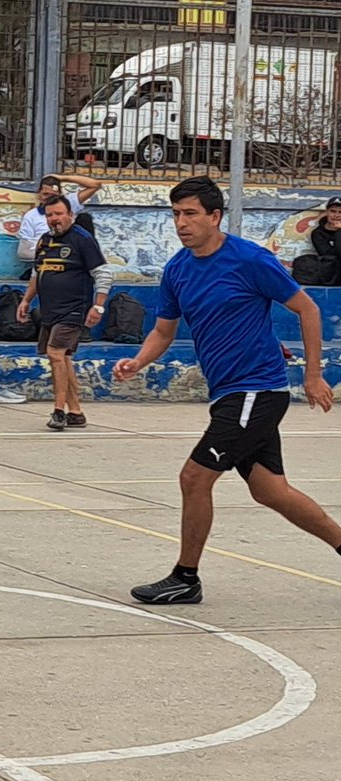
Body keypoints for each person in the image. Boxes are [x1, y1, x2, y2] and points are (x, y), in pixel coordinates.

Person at [114, 176, 341, 605]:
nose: (181, 223)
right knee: (271, 491)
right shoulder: (178, 270)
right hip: (228, 393)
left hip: (257, 389)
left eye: (191, 214)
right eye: (176, 214)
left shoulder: (249, 260)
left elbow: (307, 308)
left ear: (215, 217)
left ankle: (186, 577)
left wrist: (313, 375)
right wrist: (139, 361)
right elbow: (163, 331)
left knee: (194, 477)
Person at [17, 195, 114, 430]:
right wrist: (26, 301)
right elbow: (36, 274)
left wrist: (98, 306)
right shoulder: (44, 241)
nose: (54, 219)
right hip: (50, 310)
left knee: (55, 352)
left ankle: (58, 411)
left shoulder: (83, 239)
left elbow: (103, 274)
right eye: (50, 215)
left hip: (73, 310)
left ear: (70, 214)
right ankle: (76, 412)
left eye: (59, 214)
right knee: (64, 358)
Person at [16, 174, 102, 268]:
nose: (49, 198)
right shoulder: (31, 216)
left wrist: (63, 178)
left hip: (73, 258)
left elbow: (95, 185)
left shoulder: (68, 204)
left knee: (84, 218)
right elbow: (23, 253)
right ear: (39, 194)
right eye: (46, 194)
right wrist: (53, 253)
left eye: (53, 195)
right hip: (46, 261)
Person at [309, 196, 341, 277]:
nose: (336, 215)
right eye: (333, 211)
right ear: (327, 212)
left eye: (340, 212)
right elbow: (328, 255)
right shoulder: (318, 233)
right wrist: (339, 231)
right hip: (332, 273)